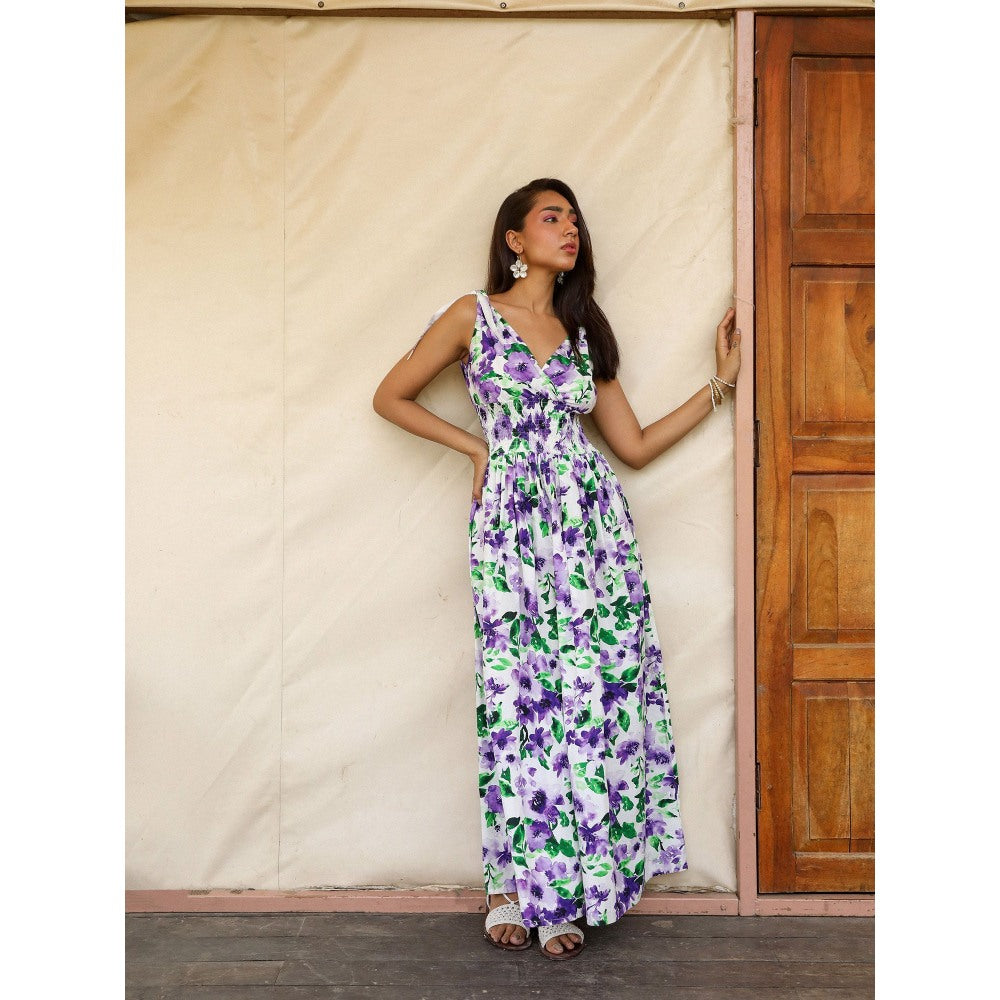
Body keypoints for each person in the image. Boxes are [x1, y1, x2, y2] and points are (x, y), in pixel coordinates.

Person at [373, 178, 740, 960]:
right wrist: (476, 447)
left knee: (591, 697)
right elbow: (391, 396)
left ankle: (567, 888)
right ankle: (510, 886)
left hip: (591, 531)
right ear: (515, 239)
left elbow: (632, 445)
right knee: (519, 694)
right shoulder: (472, 316)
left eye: (574, 219)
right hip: (511, 526)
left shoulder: (580, 329)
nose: (569, 228)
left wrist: (723, 384)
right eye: (551, 217)